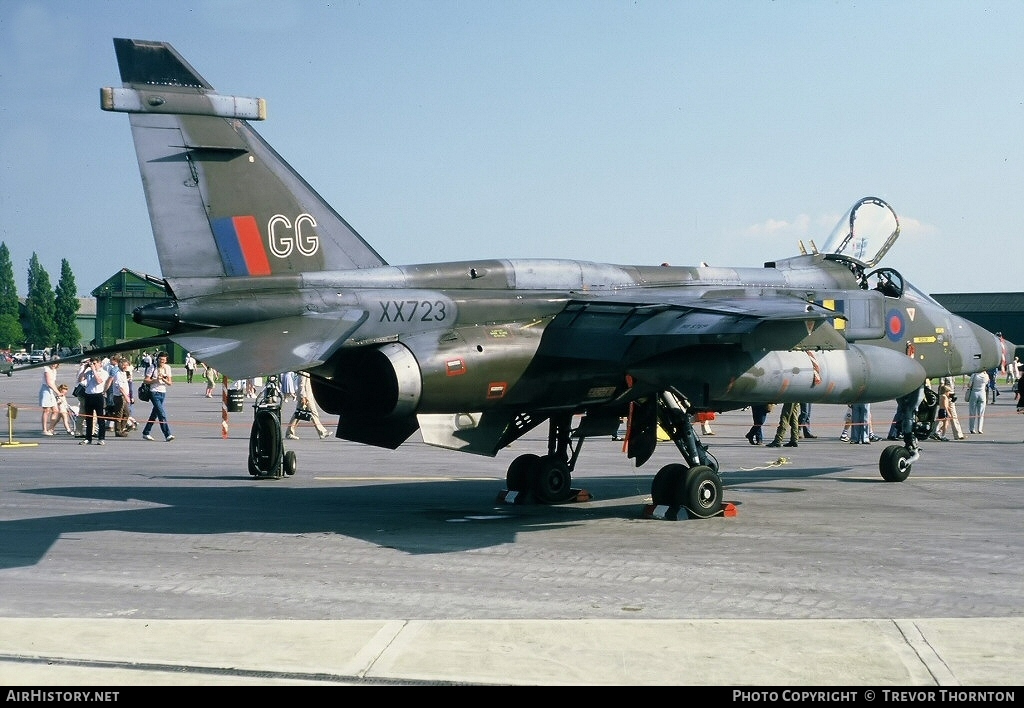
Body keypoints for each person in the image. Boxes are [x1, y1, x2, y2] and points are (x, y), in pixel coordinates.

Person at [141, 351, 175, 442]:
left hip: (162, 392)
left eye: (164, 360)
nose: (162, 361)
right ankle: (167, 434)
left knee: (154, 414)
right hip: (154, 392)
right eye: (160, 359)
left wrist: (164, 379)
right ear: (157, 359)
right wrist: (155, 380)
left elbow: (170, 383)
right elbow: (146, 380)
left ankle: (146, 432)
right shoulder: (153, 367)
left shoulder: (167, 368)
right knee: (161, 414)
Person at [286, 372, 330, 440]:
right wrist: (303, 396)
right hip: (306, 397)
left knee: (298, 414)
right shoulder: (304, 372)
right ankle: (322, 432)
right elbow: (301, 384)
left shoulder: (307, 371)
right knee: (312, 413)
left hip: (308, 396)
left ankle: (289, 432)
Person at [77, 356, 110, 445]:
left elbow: (99, 381)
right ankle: (88, 438)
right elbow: (80, 380)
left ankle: (101, 438)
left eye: (95, 363)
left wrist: (94, 370)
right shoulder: (89, 372)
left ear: (100, 364)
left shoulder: (104, 372)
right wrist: (84, 368)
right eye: (92, 363)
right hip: (88, 395)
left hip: (98, 396)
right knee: (88, 419)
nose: (93, 365)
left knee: (100, 418)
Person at [109, 356, 134, 437]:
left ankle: (122, 428)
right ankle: (118, 430)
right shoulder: (118, 374)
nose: (125, 366)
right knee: (119, 413)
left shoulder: (124, 373)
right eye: (124, 365)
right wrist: (126, 397)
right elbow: (120, 387)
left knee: (126, 413)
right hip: (120, 396)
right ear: (120, 364)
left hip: (124, 395)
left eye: (126, 365)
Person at [936, 376, 965, 441]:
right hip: (946, 396)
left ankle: (935, 431)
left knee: (943, 418)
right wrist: (944, 395)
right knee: (948, 416)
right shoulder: (944, 374)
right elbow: (942, 385)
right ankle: (957, 434)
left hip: (950, 395)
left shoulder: (952, 375)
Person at [39, 361, 61, 435]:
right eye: (53, 363)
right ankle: (44, 430)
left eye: (56, 363)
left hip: (51, 390)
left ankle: (50, 428)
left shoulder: (54, 370)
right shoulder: (47, 369)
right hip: (45, 390)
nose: (54, 365)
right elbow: (49, 383)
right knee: (46, 410)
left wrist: (58, 391)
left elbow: (53, 383)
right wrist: (58, 392)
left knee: (56, 410)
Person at [966, 369, 989, 434]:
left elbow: (969, 385)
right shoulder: (986, 375)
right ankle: (980, 429)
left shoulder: (974, 375)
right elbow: (986, 383)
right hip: (982, 393)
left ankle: (972, 428)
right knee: (981, 413)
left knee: (972, 412)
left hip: (974, 393)